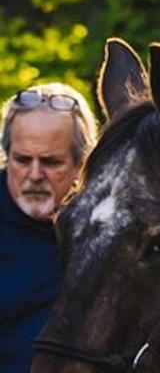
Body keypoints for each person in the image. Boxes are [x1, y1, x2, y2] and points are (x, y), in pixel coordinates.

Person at [0, 83, 98, 373]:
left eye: (51, 162)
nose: (34, 175)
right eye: (22, 160)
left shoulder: (106, 227)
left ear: (81, 165)